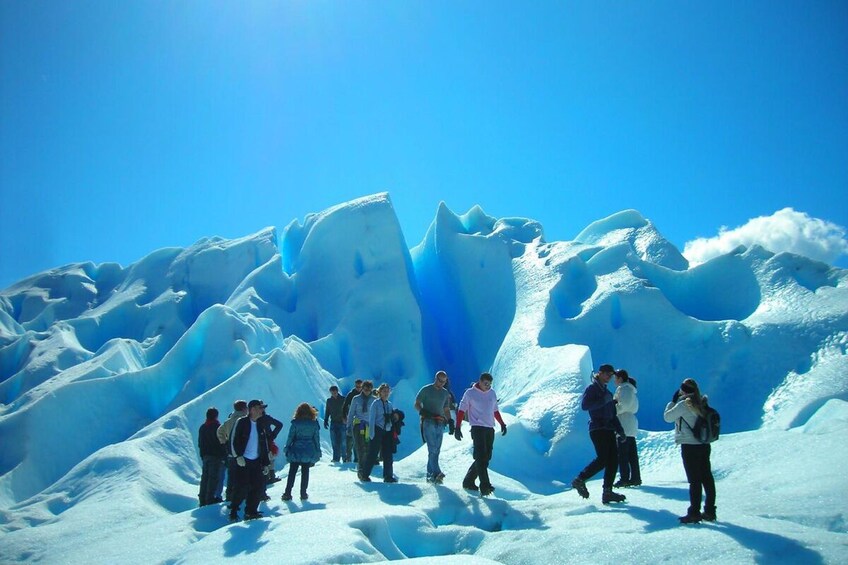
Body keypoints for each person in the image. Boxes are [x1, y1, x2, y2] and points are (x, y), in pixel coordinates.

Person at [570, 364, 627, 504]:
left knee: (613, 460)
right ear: (600, 373)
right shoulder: (593, 389)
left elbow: (613, 415)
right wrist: (603, 401)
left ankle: (607, 492)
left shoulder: (607, 393)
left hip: (607, 429)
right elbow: (585, 405)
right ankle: (580, 479)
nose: (609, 377)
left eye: (611, 375)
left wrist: (620, 430)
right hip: (598, 428)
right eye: (607, 374)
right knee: (603, 459)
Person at [664, 378, 717, 523]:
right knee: (706, 477)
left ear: (682, 390)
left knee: (694, 480)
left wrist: (671, 403)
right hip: (704, 444)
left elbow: (668, 417)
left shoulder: (683, 404)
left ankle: (694, 512)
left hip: (689, 444)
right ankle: (710, 510)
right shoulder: (702, 402)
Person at [454, 372, 507, 496]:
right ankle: (485, 485)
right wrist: (457, 427)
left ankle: (468, 481)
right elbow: (462, 409)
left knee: (486, 457)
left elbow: (495, 410)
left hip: (489, 428)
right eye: (485, 384)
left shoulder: (492, 393)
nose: (487, 386)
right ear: (480, 381)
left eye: (489, 384)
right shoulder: (470, 393)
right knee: (480, 456)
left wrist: (502, 423)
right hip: (477, 428)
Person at [228, 399, 271, 521]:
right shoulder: (241, 422)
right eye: (260, 408)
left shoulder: (260, 424)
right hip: (243, 460)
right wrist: (238, 456)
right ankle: (234, 509)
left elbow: (264, 444)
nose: (262, 410)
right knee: (241, 487)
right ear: (252, 409)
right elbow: (234, 440)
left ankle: (251, 512)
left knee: (257, 486)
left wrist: (266, 463)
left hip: (256, 461)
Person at [415, 370, 453, 484]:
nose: (441, 383)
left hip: (440, 422)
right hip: (428, 421)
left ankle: (430, 475)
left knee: (436, 449)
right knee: (432, 447)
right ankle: (436, 472)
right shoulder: (426, 389)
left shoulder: (445, 393)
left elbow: (446, 408)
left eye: (443, 381)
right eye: (439, 380)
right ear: (435, 378)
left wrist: (450, 420)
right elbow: (416, 403)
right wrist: (422, 411)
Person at [281, 403, 321, 501]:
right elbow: (316, 438)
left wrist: (287, 448)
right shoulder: (314, 423)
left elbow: (291, 437)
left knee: (292, 472)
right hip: (308, 450)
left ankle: (287, 493)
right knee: (305, 472)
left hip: (296, 450)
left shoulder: (295, 423)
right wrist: (318, 450)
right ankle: (303, 493)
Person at [360, 383, 399, 483]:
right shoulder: (375, 403)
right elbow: (371, 419)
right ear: (380, 392)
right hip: (377, 429)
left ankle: (388, 476)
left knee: (388, 454)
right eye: (384, 391)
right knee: (373, 453)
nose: (386, 393)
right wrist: (371, 433)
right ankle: (364, 474)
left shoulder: (389, 404)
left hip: (387, 431)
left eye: (387, 391)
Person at [613, 369, 642, 488]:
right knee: (632, 454)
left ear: (620, 378)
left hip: (623, 423)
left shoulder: (623, 389)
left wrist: (613, 408)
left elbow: (622, 406)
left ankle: (624, 478)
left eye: (616, 378)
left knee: (623, 454)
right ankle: (635, 477)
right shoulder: (631, 390)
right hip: (630, 423)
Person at [217, 399, 248, 502]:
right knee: (243, 474)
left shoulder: (228, 421)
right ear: (244, 408)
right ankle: (242, 495)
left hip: (230, 452)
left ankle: (229, 495)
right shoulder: (244, 420)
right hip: (243, 452)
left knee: (231, 475)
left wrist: (225, 441)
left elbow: (219, 431)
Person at [198, 407, 227, 506]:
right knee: (213, 478)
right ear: (216, 416)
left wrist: (202, 455)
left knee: (205, 478)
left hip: (206, 456)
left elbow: (200, 443)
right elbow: (222, 443)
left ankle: (202, 499)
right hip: (216, 456)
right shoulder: (218, 427)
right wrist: (224, 455)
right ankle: (210, 499)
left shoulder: (203, 427)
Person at [349, 380, 376, 478]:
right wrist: (349, 426)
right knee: (360, 448)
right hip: (358, 425)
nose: (367, 391)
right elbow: (351, 413)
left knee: (368, 449)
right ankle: (361, 470)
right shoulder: (356, 399)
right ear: (362, 388)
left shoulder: (374, 400)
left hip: (369, 426)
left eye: (369, 389)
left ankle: (365, 469)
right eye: (365, 389)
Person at [257, 406, 284, 488]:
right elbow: (279, 424)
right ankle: (271, 477)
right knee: (270, 458)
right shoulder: (267, 418)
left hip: (259, 442)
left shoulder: (255, 419)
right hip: (268, 441)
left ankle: (267, 477)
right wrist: (272, 435)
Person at [342, 379, 363, 463]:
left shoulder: (364, 394)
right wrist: (344, 416)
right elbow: (345, 405)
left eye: (360, 386)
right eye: (357, 386)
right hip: (352, 419)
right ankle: (349, 457)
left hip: (362, 420)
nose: (358, 388)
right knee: (350, 438)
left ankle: (357, 458)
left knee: (359, 438)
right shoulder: (351, 394)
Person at [324, 385, 346, 462]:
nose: (334, 394)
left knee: (343, 441)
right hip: (333, 422)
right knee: (334, 441)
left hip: (342, 422)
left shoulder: (343, 399)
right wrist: (326, 420)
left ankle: (344, 458)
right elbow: (327, 411)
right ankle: (336, 458)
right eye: (332, 393)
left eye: (335, 392)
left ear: (337, 391)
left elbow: (347, 409)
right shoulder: (329, 401)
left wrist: (346, 418)